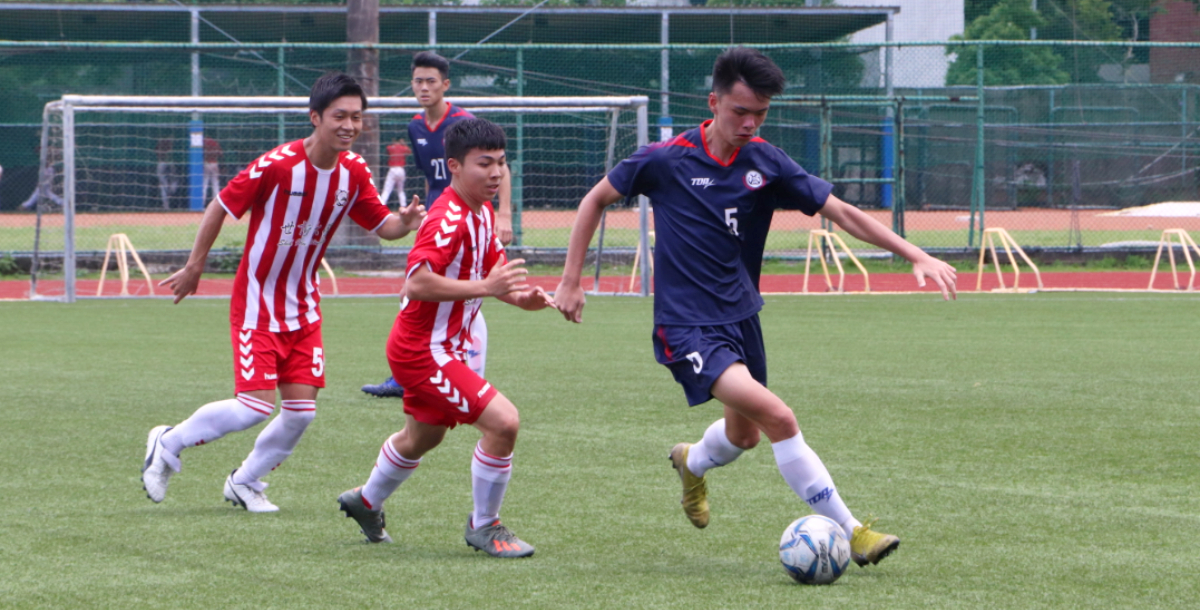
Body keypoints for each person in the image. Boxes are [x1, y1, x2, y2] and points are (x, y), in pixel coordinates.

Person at [553, 47, 957, 568]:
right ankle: (853, 530)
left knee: (743, 435)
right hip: (686, 323)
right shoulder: (665, 159)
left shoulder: (766, 162)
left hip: (742, 316)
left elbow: (840, 211)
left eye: (760, 114)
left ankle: (691, 462)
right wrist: (571, 280)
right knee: (777, 416)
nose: (749, 123)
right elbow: (594, 200)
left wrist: (914, 253)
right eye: (740, 111)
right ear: (713, 101)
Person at [140, 72, 427, 512]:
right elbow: (220, 205)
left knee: (300, 413)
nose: (350, 125)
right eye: (340, 116)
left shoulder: (353, 171)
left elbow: (382, 226)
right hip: (257, 300)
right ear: (315, 117)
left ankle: (245, 482)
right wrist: (195, 266)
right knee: (253, 406)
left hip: (304, 306)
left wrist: (404, 222)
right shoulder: (277, 164)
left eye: (357, 117)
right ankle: (167, 443)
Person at [338, 118, 553, 557]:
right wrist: (487, 289)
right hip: (422, 350)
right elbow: (416, 283)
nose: (495, 173)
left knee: (423, 438)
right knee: (504, 422)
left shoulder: (482, 213)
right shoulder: (446, 218)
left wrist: (526, 298)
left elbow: (494, 279)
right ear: (454, 166)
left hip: (445, 345)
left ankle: (365, 501)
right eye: (484, 164)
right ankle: (485, 526)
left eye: (501, 163)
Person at [361, 51, 514, 398]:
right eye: (418, 81)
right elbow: (433, 178)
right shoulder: (415, 125)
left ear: (445, 85)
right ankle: (412, 375)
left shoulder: (463, 123)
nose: (424, 87)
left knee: (465, 289)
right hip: (441, 215)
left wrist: (503, 213)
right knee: (419, 293)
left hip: (469, 214)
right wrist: (425, 214)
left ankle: (461, 372)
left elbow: (499, 167)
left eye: (431, 81)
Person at [380, 135, 410, 207]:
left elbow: (387, 150)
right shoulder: (404, 148)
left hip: (393, 169)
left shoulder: (390, 147)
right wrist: (403, 144)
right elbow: (409, 151)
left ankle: (381, 205)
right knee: (400, 190)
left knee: (387, 189)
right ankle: (403, 206)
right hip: (401, 170)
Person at [156, 138, 179, 209]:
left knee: (171, 187)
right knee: (164, 186)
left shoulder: (169, 149)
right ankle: (166, 206)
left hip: (169, 166)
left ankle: (169, 205)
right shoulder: (162, 147)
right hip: (162, 164)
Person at [201, 136, 222, 206]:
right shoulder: (214, 143)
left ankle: (202, 203)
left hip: (206, 163)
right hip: (214, 163)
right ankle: (217, 204)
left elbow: (202, 153)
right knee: (215, 184)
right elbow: (220, 153)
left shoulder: (204, 142)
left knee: (205, 184)